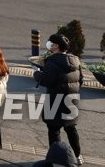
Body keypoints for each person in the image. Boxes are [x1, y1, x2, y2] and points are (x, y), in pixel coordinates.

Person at [33, 34, 83, 164]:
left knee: (54, 130)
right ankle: (77, 156)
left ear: (56, 46)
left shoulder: (52, 61)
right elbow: (80, 80)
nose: (49, 44)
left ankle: (56, 158)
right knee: (71, 128)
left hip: (54, 99)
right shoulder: (76, 60)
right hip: (71, 100)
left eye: (51, 43)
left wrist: (37, 73)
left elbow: (46, 80)